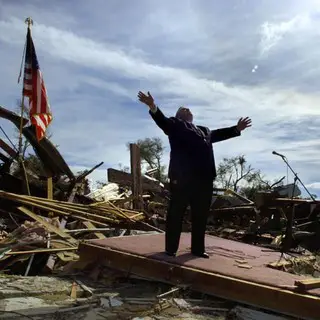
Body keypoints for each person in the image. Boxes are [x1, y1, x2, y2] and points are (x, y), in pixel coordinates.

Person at [138, 91, 252, 258]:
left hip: (204, 179)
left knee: (201, 215)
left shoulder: (204, 130)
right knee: (176, 213)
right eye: (184, 109)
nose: (187, 110)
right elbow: (162, 121)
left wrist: (236, 129)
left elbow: (219, 134)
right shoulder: (175, 125)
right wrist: (152, 106)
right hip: (182, 177)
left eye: (189, 109)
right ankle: (170, 250)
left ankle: (198, 249)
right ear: (178, 115)